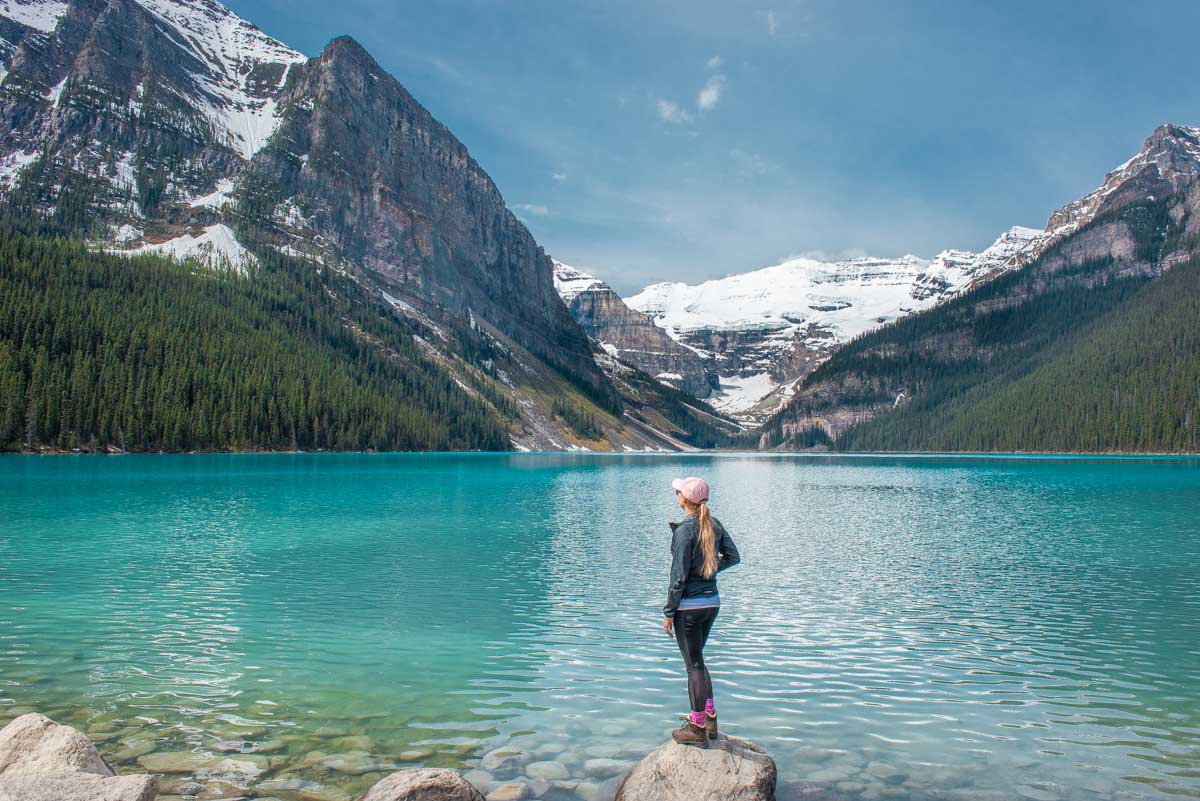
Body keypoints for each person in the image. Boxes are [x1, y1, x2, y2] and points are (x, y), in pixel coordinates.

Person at [662, 475, 740, 747]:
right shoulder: (714, 524)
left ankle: (696, 727)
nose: (676, 496)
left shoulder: (685, 531)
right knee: (698, 661)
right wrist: (710, 569)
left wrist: (668, 612)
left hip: (689, 608)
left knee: (692, 665)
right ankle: (710, 719)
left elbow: (679, 577)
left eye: (678, 492)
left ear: (685, 499)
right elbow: (733, 557)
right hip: (711, 604)